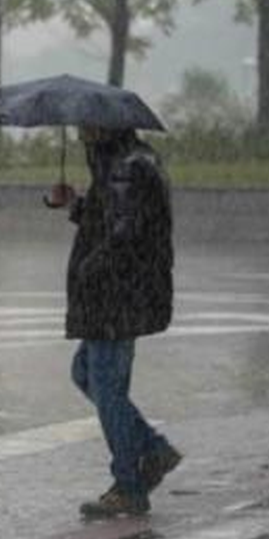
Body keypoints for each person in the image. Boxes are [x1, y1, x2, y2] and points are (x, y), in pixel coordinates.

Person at [49, 126, 182, 518]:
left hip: (116, 296)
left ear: (104, 126)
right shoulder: (123, 163)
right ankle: (152, 449)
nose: (79, 132)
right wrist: (75, 204)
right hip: (119, 295)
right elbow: (110, 220)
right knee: (86, 373)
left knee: (106, 387)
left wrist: (90, 268)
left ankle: (129, 484)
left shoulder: (126, 168)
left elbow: (123, 235)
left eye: (85, 125)